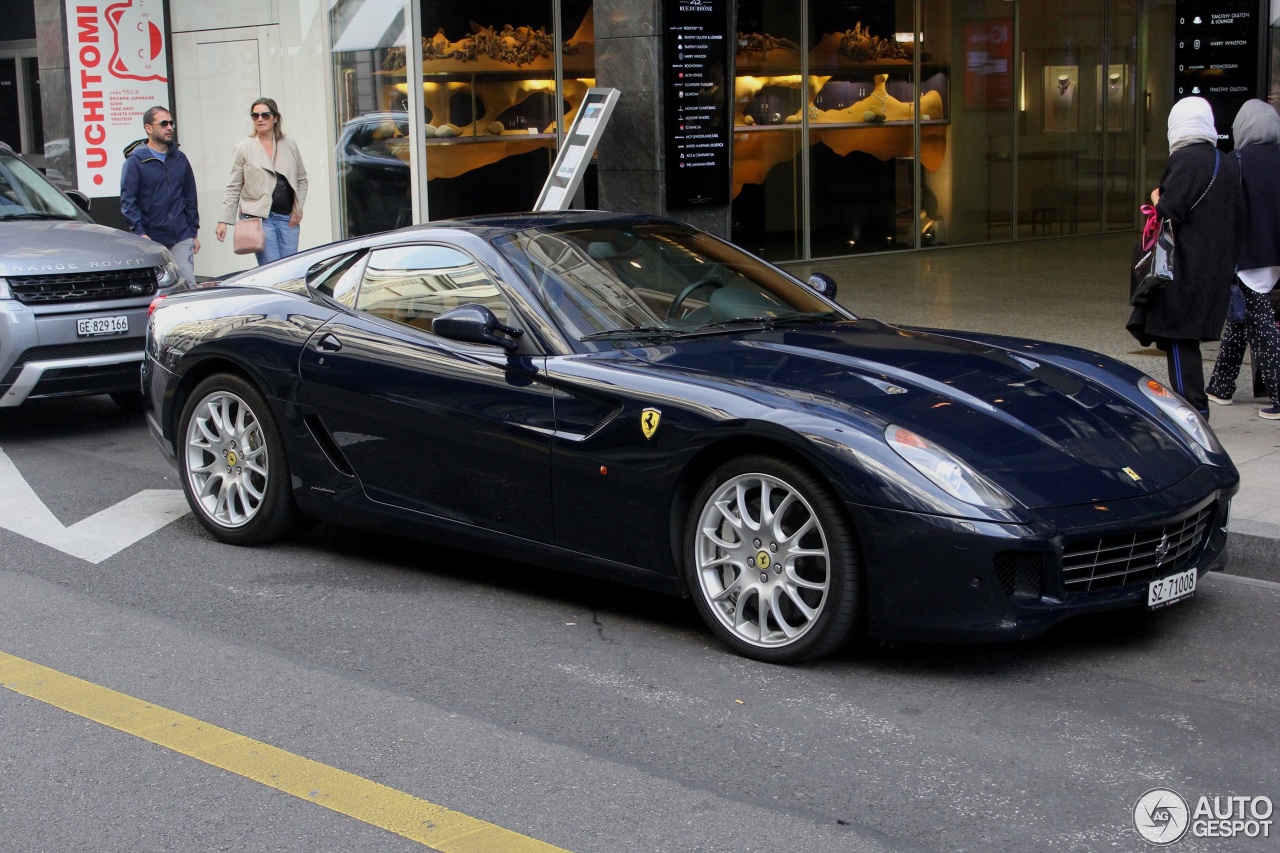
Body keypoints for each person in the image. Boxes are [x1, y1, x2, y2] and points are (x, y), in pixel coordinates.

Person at [1131, 97, 1242, 417]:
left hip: (1184, 265)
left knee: (1178, 336)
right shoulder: (1226, 162)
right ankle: (1193, 408)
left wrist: (1154, 195)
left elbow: (1168, 208)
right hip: (1215, 263)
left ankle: (1193, 411)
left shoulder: (1186, 160)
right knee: (1184, 335)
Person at [1205, 100, 1280, 419]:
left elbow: (1224, 209)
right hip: (1274, 250)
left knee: (1260, 319)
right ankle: (1221, 385)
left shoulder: (1236, 161)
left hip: (1250, 251)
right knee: (1240, 316)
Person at [214, 97, 308, 265]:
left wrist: (298, 208)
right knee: (272, 269)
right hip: (260, 217)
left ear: (276, 118)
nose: (260, 119)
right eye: (255, 116)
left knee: (290, 269)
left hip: (288, 218)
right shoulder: (244, 148)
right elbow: (234, 186)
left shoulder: (289, 144)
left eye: (265, 115)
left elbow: (301, 179)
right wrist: (224, 221)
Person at [119, 106, 200, 287]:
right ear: (149, 128)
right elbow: (128, 202)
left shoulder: (180, 159)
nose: (169, 127)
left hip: (181, 235)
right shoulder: (135, 162)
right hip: (151, 238)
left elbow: (190, 196)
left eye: (171, 123)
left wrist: (192, 232)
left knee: (188, 285)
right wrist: (140, 232)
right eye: (164, 123)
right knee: (159, 288)